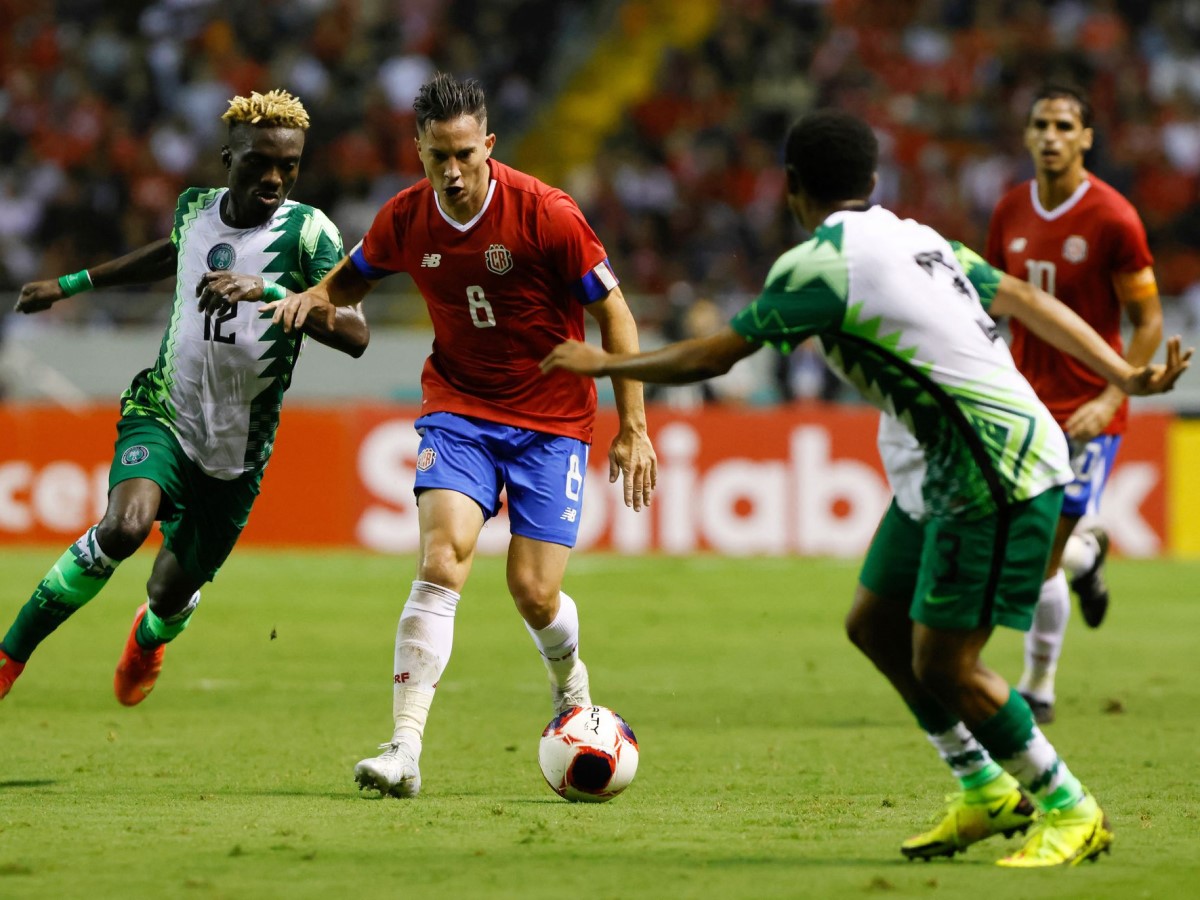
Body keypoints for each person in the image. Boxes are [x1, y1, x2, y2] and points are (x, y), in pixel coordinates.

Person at [541, 110, 1190, 867]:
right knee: (875, 624)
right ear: (874, 180)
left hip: (993, 468)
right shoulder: (920, 237)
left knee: (948, 664)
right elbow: (1022, 298)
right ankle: (983, 786)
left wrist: (606, 365)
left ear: (790, 186)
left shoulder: (818, 266)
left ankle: (1069, 806)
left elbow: (715, 357)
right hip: (948, 467)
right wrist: (1122, 372)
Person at [263, 73, 656, 799]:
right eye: (437, 156)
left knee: (534, 593)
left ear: (489, 146)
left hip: (552, 421)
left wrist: (632, 425)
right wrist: (305, 299)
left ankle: (571, 687)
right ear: (417, 149)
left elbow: (617, 314)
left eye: (465, 155)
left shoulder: (547, 213)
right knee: (442, 559)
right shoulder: (406, 217)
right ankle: (404, 749)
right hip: (460, 409)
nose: (452, 171)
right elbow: (350, 281)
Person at [0, 89, 368, 705]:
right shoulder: (195, 208)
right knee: (124, 527)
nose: (274, 178)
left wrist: (268, 290)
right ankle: (9, 656)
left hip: (236, 454)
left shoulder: (309, 233)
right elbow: (172, 255)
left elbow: (355, 333)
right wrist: (71, 284)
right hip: (165, 413)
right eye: (259, 163)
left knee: (168, 592)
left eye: (289, 166)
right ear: (228, 158)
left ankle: (149, 637)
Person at [986, 84, 1163, 725]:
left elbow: (1148, 322)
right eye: (1041, 125)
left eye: (1065, 126)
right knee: (1023, 546)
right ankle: (1089, 558)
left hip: (1091, 408)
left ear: (1086, 138)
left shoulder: (1114, 218)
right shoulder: (1010, 210)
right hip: (1025, 404)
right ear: (1027, 135)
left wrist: (1114, 394)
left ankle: (1038, 686)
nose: (1051, 136)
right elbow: (995, 303)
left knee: (1038, 557)